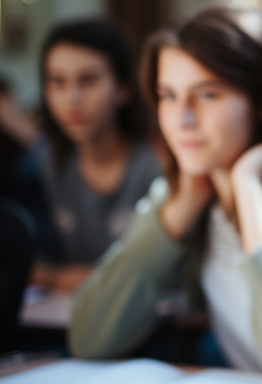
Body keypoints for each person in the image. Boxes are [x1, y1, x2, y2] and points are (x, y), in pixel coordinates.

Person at [68, 2, 262, 383]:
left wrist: (248, 189)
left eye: (207, 95)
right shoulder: (193, 184)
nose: (182, 120)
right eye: (168, 96)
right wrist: (182, 207)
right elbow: (89, 337)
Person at [31, 18, 163, 293]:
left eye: (88, 80)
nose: (72, 99)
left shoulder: (156, 167)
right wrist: (56, 277)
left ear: (123, 88)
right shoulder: (46, 165)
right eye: (57, 82)